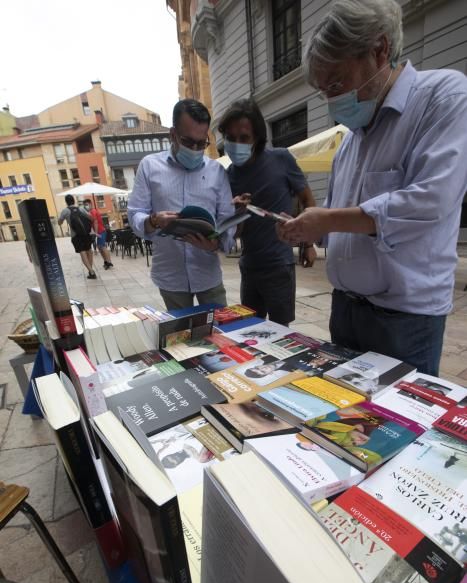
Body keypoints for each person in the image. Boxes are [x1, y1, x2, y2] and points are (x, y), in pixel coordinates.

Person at [278, 0, 467, 376]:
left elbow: (431, 200)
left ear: (379, 50)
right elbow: (342, 221)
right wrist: (307, 228)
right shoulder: (353, 137)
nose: (333, 100)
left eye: (337, 82)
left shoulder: (444, 96)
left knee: (396, 428)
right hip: (345, 309)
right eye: (323, 90)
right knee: (341, 421)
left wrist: (326, 219)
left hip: (403, 319)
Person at [128, 99, 235, 309]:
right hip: (171, 275)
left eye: (201, 143)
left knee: (221, 333)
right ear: (173, 134)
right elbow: (135, 214)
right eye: (188, 142)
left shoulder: (216, 171)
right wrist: (154, 220)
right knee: (179, 337)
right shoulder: (149, 166)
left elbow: (227, 218)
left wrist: (218, 242)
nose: (195, 149)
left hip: (208, 273)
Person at [218, 98, 316, 326]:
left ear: (257, 137)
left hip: (279, 266)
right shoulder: (228, 175)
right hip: (249, 266)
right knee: (250, 328)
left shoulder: (281, 159)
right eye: (231, 138)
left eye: (244, 138)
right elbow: (236, 232)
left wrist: (308, 244)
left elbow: (308, 201)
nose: (236, 143)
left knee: (282, 331)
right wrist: (236, 212)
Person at [58, 194, 96, 279]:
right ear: (74, 201)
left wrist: (63, 220)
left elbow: (59, 222)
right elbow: (91, 218)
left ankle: (91, 271)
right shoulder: (81, 208)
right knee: (89, 250)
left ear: (66, 202)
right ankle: (91, 270)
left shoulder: (65, 211)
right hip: (86, 233)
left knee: (82, 252)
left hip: (76, 235)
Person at [83, 199, 114, 270]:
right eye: (85, 205)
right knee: (100, 247)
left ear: (91, 204)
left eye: (87, 204)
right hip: (100, 231)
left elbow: (95, 222)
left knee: (102, 246)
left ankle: (109, 262)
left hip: (101, 231)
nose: (86, 206)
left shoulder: (93, 211)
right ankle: (106, 261)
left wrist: (96, 233)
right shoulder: (91, 212)